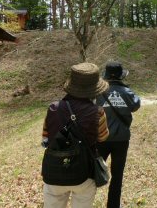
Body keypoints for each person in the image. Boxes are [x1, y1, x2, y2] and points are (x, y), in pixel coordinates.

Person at [41, 62, 109, 208]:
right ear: (94, 89)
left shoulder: (53, 108)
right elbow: (103, 137)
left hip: (54, 172)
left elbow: (45, 138)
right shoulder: (98, 112)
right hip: (84, 172)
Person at [96, 61, 141, 208]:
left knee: (94, 170)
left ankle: (84, 200)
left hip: (101, 138)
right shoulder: (127, 92)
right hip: (121, 140)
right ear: (121, 76)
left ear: (106, 76)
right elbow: (136, 105)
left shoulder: (98, 93)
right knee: (117, 175)